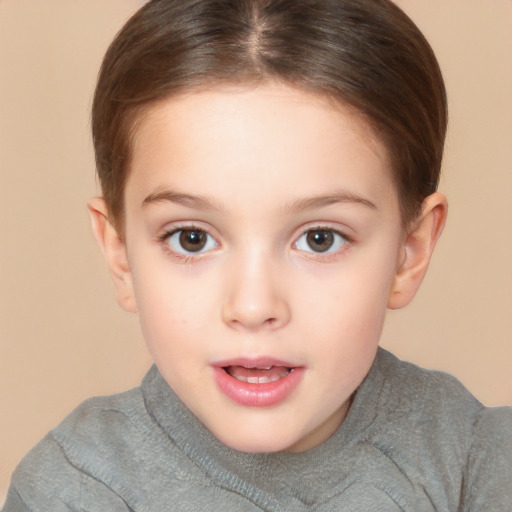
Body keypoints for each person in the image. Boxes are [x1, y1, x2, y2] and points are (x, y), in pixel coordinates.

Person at [4, 0, 511, 510]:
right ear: (120, 254)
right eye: (192, 238)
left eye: (319, 238)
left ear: (410, 249)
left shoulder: (476, 462)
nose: (252, 306)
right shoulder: (75, 489)